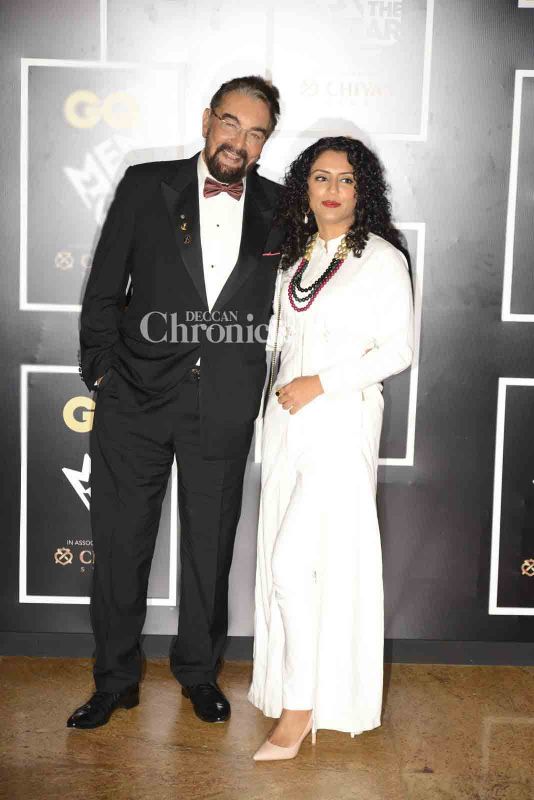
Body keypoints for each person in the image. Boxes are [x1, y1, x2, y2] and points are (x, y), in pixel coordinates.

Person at [67, 76, 284, 729]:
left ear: (265, 143)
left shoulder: (281, 206)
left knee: (210, 551)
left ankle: (198, 673)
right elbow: (104, 288)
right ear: (207, 119)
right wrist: (102, 373)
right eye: (231, 123)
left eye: (256, 133)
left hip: (223, 404)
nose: (239, 141)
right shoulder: (145, 185)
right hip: (133, 397)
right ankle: (114, 681)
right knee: (120, 546)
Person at [248, 136, 414, 760]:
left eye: (346, 179)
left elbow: (397, 350)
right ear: (305, 187)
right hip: (286, 426)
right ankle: (295, 690)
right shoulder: (296, 257)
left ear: (361, 190)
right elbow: (278, 340)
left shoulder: (382, 259)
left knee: (295, 565)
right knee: (286, 562)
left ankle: (300, 710)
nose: (334, 190)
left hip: (341, 424)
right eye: (321, 177)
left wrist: (321, 383)